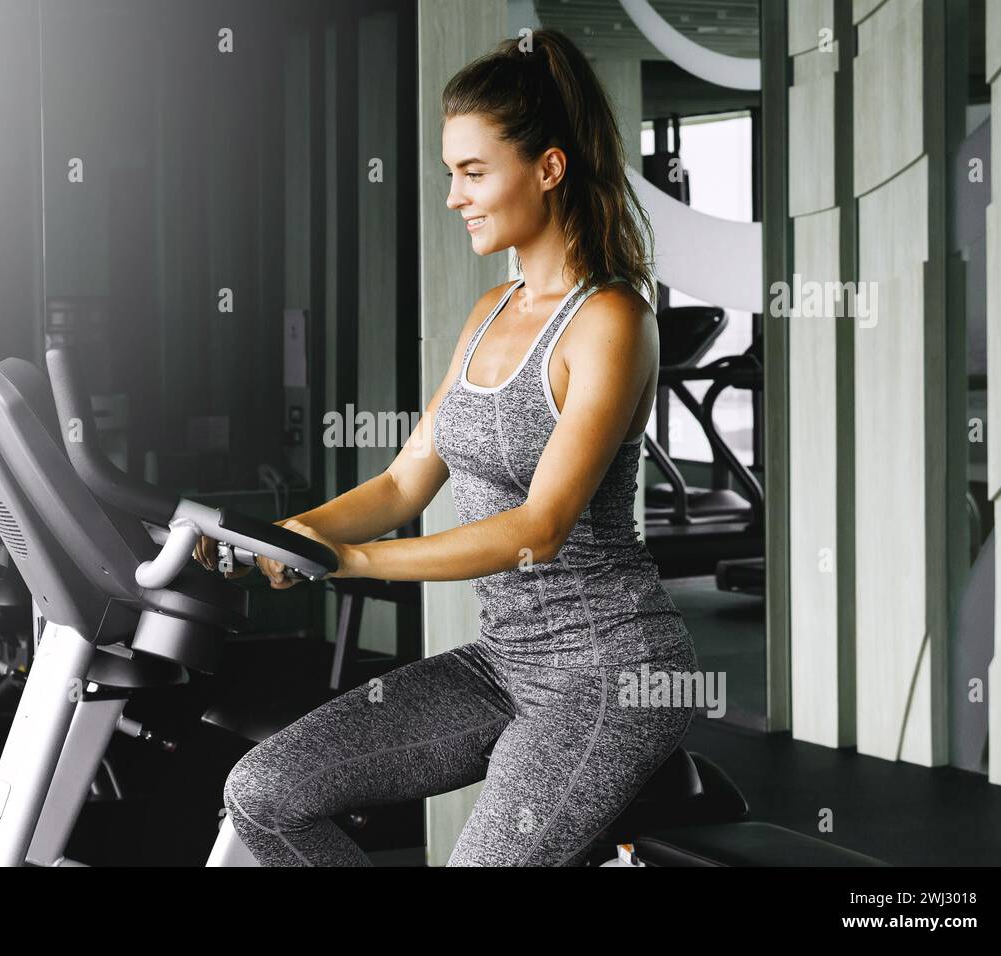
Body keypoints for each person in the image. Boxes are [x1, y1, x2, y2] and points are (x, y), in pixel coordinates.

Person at [194, 28, 698, 866]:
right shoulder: (489, 312)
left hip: (607, 675)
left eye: (473, 172)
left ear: (548, 168)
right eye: (450, 174)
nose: (456, 195)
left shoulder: (611, 322)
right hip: (502, 662)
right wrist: (288, 537)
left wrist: (351, 562)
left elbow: (538, 528)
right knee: (264, 794)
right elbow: (401, 482)